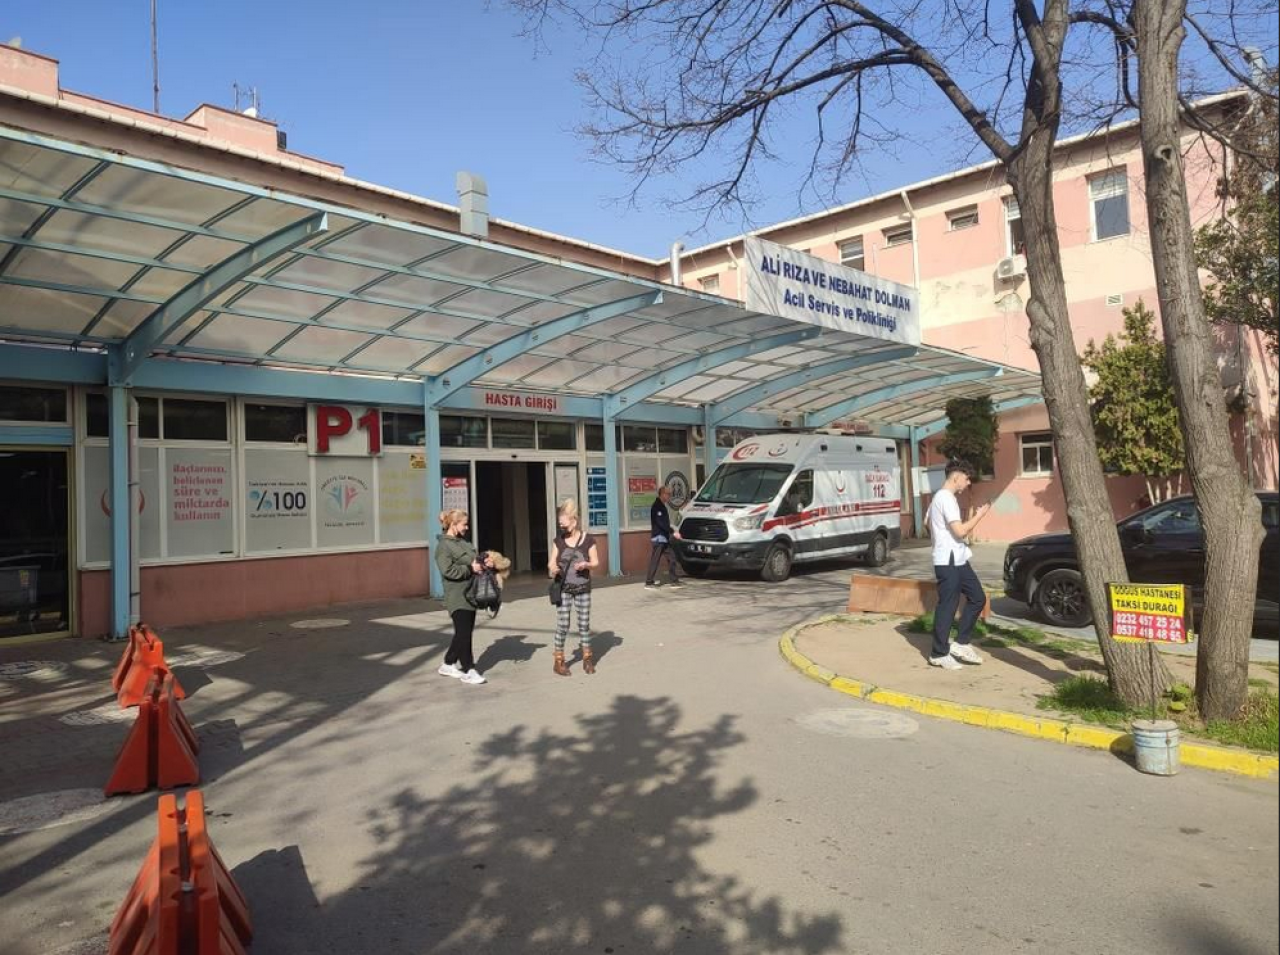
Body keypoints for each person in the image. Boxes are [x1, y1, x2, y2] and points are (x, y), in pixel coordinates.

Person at [926, 460, 991, 670]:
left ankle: (961, 644)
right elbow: (961, 531)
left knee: (978, 597)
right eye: (966, 478)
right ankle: (938, 653)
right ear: (956, 477)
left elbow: (927, 523)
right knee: (948, 606)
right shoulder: (945, 498)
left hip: (959, 558)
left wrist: (940, 536)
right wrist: (980, 515)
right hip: (948, 561)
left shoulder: (940, 498)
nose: (968, 482)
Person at [435, 508, 492, 685]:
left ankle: (448, 663)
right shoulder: (443, 546)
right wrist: (470, 569)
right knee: (464, 633)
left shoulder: (464, 543)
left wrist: (484, 562)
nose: (467, 527)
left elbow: (473, 561)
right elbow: (447, 571)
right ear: (453, 524)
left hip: (471, 593)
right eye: (464, 524)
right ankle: (469, 669)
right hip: (456, 596)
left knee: (463, 632)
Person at [548, 498, 600, 676]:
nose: (562, 528)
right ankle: (559, 661)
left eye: (564, 524)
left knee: (584, 625)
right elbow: (551, 563)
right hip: (564, 588)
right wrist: (554, 568)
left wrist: (586, 564)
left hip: (583, 588)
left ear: (574, 521)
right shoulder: (558, 541)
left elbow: (596, 562)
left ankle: (587, 659)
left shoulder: (588, 540)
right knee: (563, 625)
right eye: (560, 525)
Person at [645, 485, 684, 589]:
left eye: (670, 494)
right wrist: (672, 532)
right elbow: (661, 523)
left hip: (664, 538)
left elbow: (664, 523)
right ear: (662, 494)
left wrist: (672, 531)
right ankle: (649, 582)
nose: (669, 496)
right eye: (668, 494)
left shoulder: (662, 506)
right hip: (659, 538)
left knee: (672, 558)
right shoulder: (657, 506)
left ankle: (674, 581)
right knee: (655, 560)